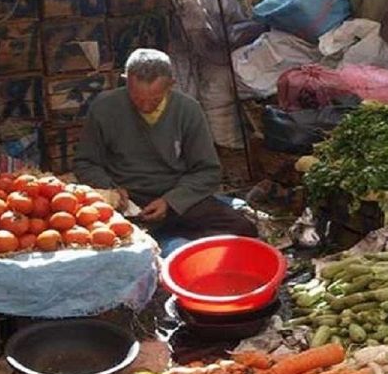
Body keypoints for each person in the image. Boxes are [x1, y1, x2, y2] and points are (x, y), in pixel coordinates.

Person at [73, 48, 258, 247]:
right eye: (137, 98)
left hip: (177, 197)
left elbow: (208, 171)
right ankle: (166, 239)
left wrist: (171, 201)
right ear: (126, 82)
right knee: (106, 240)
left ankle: (169, 239)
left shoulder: (188, 110)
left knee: (243, 229)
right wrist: (110, 189)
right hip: (126, 202)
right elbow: (85, 162)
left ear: (171, 85)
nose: (145, 107)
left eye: (154, 100)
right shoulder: (104, 107)